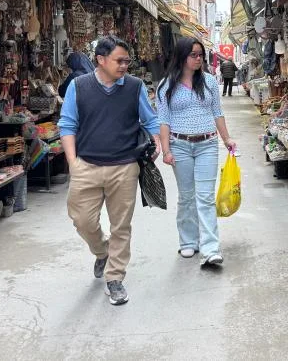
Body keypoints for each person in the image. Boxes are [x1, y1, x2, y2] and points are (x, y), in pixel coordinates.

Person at [59, 36, 161, 306]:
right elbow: (67, 124)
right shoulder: (78, 87)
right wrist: (73, 162)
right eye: (120, 60)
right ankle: (102, 251)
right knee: (82, 220)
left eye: (128, 60)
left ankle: (114, 278)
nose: (125, 65)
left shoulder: (134, 86)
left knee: (121, 226)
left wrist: (158, 142)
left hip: (124, 167)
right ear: (101, 60)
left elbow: (150, 118)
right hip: (87, 165)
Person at [157, 37, 236, 266]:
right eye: (194, 54)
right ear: (182, 57)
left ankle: (211, 248)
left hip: (207, 145)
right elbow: (164, 121)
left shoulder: (210, 82)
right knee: (187, 197)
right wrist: (166, 150)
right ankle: (188, 242)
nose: (199, 58)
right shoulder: (166, 85)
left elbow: (217, 113)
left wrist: (227, 138)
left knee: (205, 198)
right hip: (179, 145)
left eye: (201, 54)